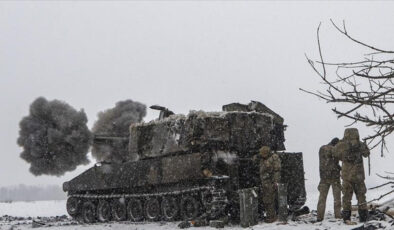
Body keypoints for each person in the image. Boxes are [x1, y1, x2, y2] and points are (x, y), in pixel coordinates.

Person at [333, 128, 370, 223]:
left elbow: (334, 154)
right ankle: (363, 217)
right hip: (359, 176)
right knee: (361, 196)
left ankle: (346, 218)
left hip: (347, 176)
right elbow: (367, 153)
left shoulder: (341, 145)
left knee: (346, 197)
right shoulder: (360, 144)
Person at [316, 137, 342, 221]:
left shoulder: (322, 148)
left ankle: (320, 217)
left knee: (322, 198)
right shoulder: (334, 149)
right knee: (337, 198)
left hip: (324, 177)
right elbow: (339, 157)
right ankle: (338, 215)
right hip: (335, 177)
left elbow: (328, 161)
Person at [255, 146, 281, 223]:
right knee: (266, 199)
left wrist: (276, 182)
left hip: (270, 182)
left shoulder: (273, 158)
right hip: (265, 182)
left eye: (263, 154)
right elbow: (254, 159)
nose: (262, 155)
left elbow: (277, 171)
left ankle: (271, 217)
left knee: (269, 199)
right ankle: (270, 215)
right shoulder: (264, 158)